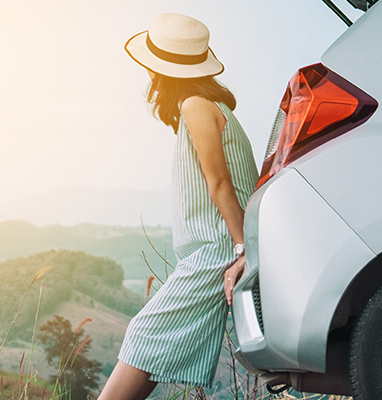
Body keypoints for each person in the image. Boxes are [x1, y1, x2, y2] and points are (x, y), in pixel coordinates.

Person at [99, 13, 259, 399]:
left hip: (216, 248)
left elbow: (219, 182)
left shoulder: (195, 105)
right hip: (217, 245)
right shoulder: (208, 105)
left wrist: (242, 250)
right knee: (147, 338)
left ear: (163, 71)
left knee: (143, 335)